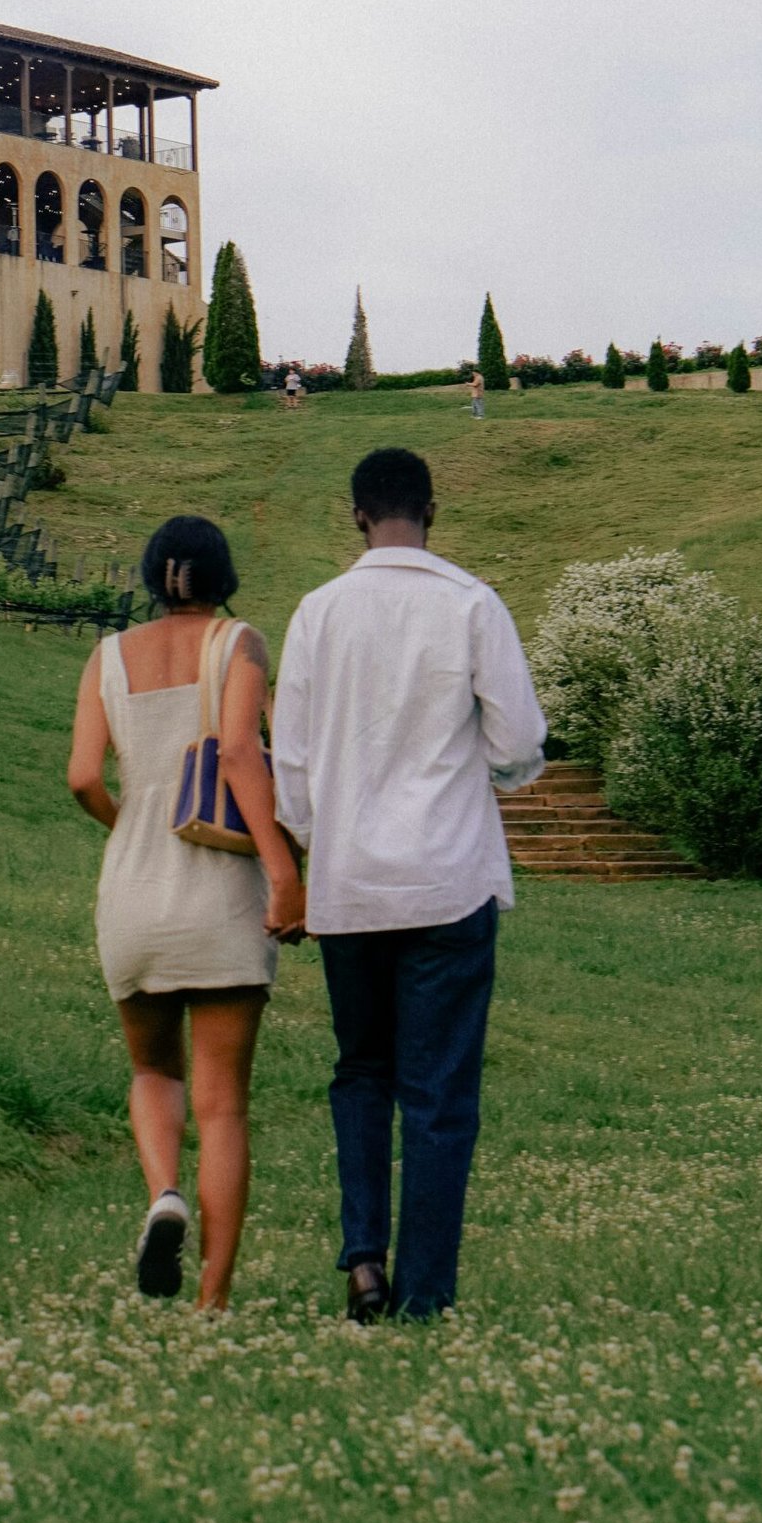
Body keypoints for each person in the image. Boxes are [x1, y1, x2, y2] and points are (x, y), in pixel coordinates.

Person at [272, 448, 545, 1323]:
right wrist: (491, 779)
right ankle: (424, 1295)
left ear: (356, 515)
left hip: (350, 887)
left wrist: (327, 844)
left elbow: (294, 768)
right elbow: (517, 744)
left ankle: (363, 1259)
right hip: (447, 881)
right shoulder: (471, 603)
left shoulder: (318, 613)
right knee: (439, 1092)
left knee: (362, 1071)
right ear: (433, 509)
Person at [68, 516, 307, 1309]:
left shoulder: (106, 657)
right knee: (224, 1103)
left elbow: (81, 779)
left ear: (149, 574)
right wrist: (283, 872)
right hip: (220, 899)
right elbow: (240, 753)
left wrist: (130, 828)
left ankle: (164, 1190)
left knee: (150, 1068)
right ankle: (212, 1297)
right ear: (223, 574)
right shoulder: (239, 642)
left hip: (132, 893)